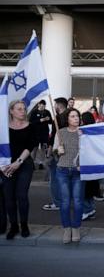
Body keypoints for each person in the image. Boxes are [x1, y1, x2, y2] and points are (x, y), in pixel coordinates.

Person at [1, 100, 36, 239]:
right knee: (9, 197)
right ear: (11, 111)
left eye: (24, 109)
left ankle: (24, 225)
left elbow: (30, 145)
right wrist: (3, 166)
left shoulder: (31, 126)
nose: (22, 111)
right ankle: (14, 226)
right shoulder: (3, 128)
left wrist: (18, 162)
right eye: (19, 109)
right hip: (6, 166)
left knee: (21, 195)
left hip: (24, 164)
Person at [53, 108, 84, 244]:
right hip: (62, 170)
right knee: (65, 201)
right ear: (67, 119)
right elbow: (54, 152)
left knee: (78, 201)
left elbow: (90, 151)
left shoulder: (83, 132)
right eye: (72, 116)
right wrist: (57, 150)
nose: (76, 118)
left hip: (79, 171)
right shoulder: (60, 133)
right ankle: (67, 228)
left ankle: (76, 227)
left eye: (77, 116)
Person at [42, 97, 68, 211]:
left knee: (55, 177)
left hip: (58, 151)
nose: (54, 107)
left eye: (55, 104)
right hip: (68, 151)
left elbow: (53, 136)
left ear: (59, 105)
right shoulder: (71, 116)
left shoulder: (58, 118)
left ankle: (57, 202)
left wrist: (49, 152)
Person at [81, 112, 101, 221]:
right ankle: (91, 209)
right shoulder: (95, 131)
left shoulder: (84, 132)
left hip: (86, 163)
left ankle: (87, 210)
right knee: (90, 189)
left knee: (84, 189)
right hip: (94, 164)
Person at [29, 99, 52, 170]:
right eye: (41, 105)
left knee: (43, 148)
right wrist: (40, 120)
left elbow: (51, 122)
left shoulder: (47, 112)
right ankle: (31, 163)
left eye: (44, 105)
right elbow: (31, 122)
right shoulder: (34, 112)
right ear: (38, 105)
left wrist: (48, 119)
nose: (42, 106)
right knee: (34, 148)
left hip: (44, 133)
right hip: (35, 133)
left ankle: (41, 163)